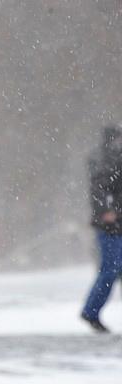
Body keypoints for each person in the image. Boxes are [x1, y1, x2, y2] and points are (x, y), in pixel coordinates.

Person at [82, 123, 122, 334]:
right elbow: (100, 189)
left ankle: (91, 312)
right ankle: (91, 312)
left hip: (115, 224)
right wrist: (106, 210)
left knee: (113, 269)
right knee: (110, 270)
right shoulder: (106, 161)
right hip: (110, 226)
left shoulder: (110, 159)